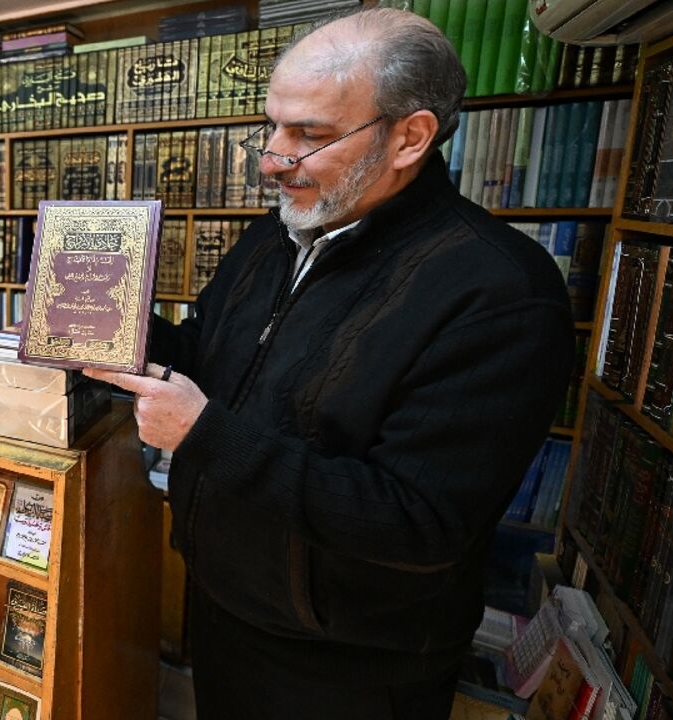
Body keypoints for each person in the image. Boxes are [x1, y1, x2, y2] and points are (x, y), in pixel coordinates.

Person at [84, 8, 575, 719]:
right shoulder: (277, 236)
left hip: (353, 665)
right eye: (272, 127)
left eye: (309, 136)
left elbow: (420, 521)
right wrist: (105, 327)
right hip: (225, 608)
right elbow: (209, 357)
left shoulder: (500, 292)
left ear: (410, 137)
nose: (271, 160)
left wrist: (203, 433)